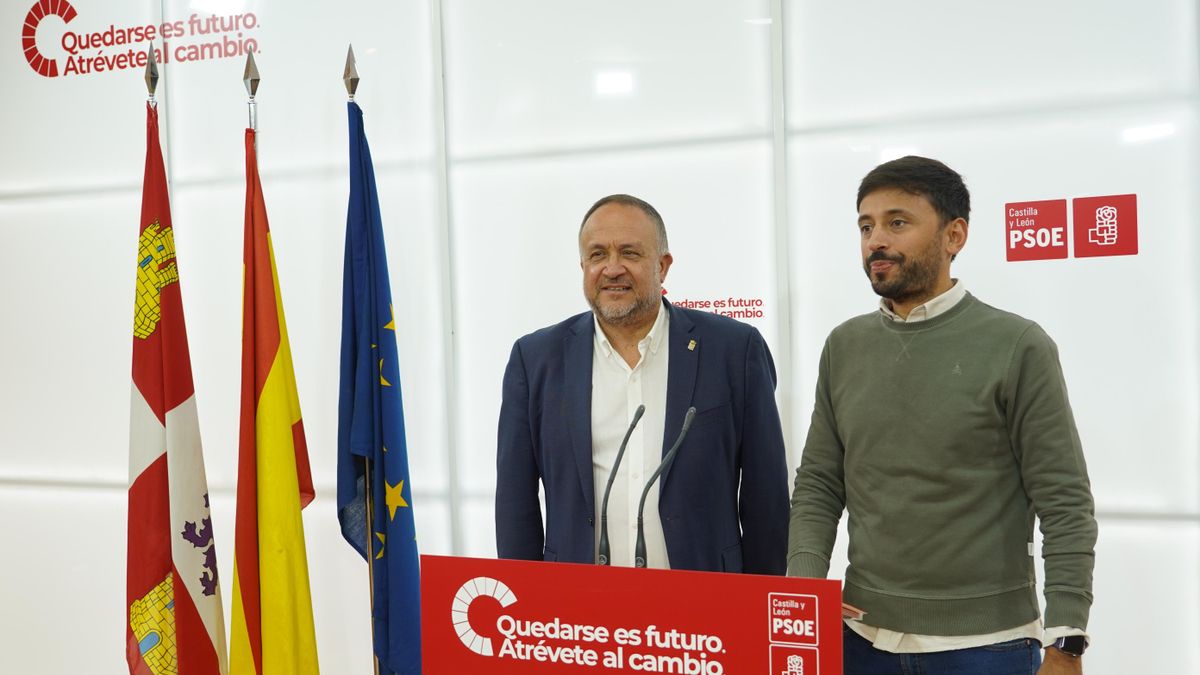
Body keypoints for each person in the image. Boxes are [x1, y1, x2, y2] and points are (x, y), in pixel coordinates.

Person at [787, 156, 1097, 675]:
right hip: (859, 638)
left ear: (955, 235)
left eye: (897, 222)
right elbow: (819, 483)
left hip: (988, 648)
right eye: (866, 226)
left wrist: (1066, 640)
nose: (875, 241)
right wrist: (803, 596)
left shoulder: (1017, 345)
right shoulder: (844, 346)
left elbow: (1064, 500)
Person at [496, 194, 789, 573]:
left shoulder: (734, 350)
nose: (612, 268)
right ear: (583, 265)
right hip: (575, 610)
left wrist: (756, 605)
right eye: (598, 255)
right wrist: (526, 604)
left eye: (630, 254)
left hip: (705, 602)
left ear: (663, 267)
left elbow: (766, 497)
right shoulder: (535, 359)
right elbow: (515, 502)